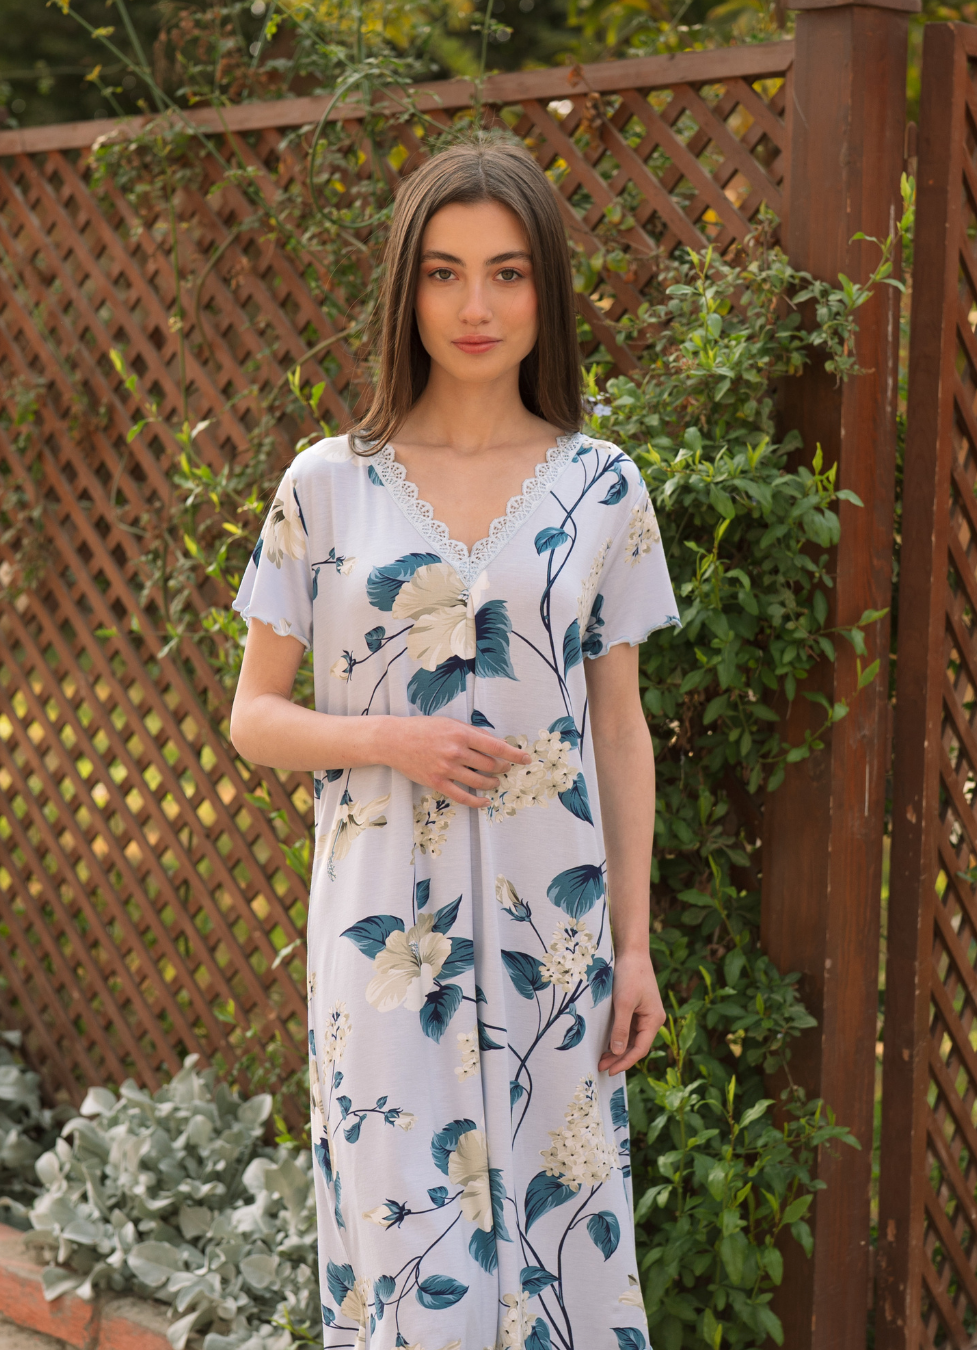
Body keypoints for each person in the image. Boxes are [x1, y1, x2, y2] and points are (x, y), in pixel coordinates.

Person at [229, 137, 680, 1350]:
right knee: (412, 1266)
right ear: (407, 291)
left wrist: (633, 947)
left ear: (545, 292)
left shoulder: (603, 487)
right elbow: (253, 716)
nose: (475, 306)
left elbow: (620, 729)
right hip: (386, 947)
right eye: (443, 273)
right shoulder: (327, 484)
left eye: (506, 272)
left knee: (560, 1255)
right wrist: (391, 737)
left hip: (556, 945)